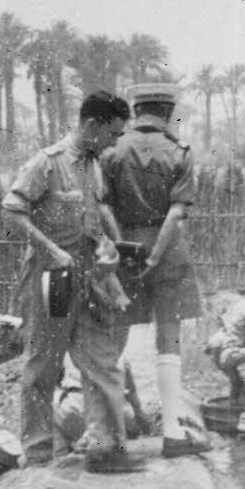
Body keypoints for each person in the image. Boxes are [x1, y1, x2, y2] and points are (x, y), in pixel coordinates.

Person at [1, 90, 144, 474]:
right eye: (112, 134)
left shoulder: (95, 166)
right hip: (52, 277)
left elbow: (97, 212)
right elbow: (13, 210)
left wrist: (110, 247)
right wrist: (50, 250)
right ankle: (37, 452)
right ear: (91, 125)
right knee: (43, 366)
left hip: (90, 276)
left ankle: (106, 448)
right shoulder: (47, 164)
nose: (115, 142)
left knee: (101, 359)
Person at [98, 82, 210, 459]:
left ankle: (110, 435)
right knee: (169, 336)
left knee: (114, 335)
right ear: (167, 111)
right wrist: (155, 254)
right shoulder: (179, 152)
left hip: (121, 249)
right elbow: (177, 212)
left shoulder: (112, 151)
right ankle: (173, 433)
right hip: (169, 253)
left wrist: (123, 248)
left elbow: (103, 207)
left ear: (137, 110)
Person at [52, 355, 151, 456]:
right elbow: (131, 390)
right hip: (109, 417)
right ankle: (89, 437)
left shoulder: (71, 352)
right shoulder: (115, 355)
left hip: (71, 412)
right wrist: (139, 413)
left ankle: (72, 445)